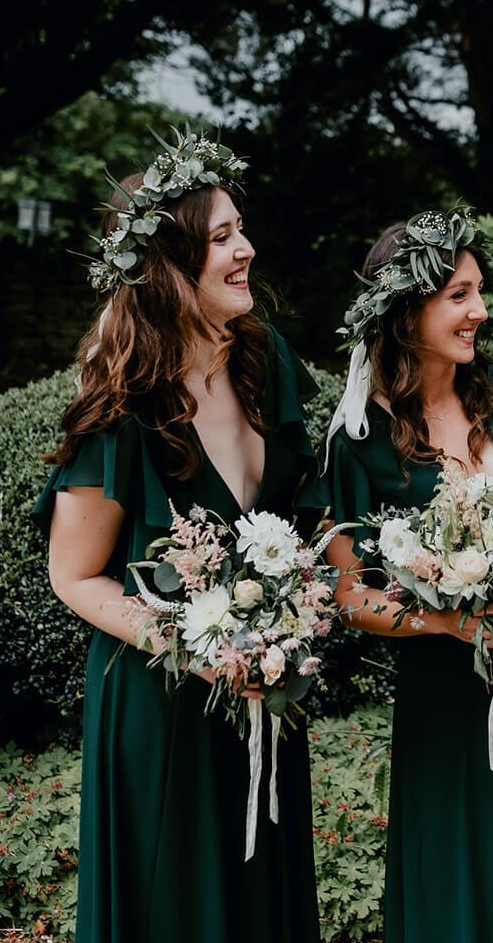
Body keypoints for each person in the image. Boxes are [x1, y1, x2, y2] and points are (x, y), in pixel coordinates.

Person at [35, 130, 321, 942]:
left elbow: (303, 515)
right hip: (161, 709)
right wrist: (198, 647)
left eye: (242, 229)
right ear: (167, 265)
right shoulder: (119, 406)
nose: (247, 249)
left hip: (264, 696)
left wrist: (291, 619)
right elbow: (75, 575)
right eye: (222, 236)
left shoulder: (271, 363)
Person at [313, 206, 493, 943]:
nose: (481, 309)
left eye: (478, 291)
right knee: (464, 874)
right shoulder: (360, 439)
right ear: (408, 309)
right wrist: (444, 618)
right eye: (459, 295)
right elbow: (349, 595)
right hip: (448, 691)